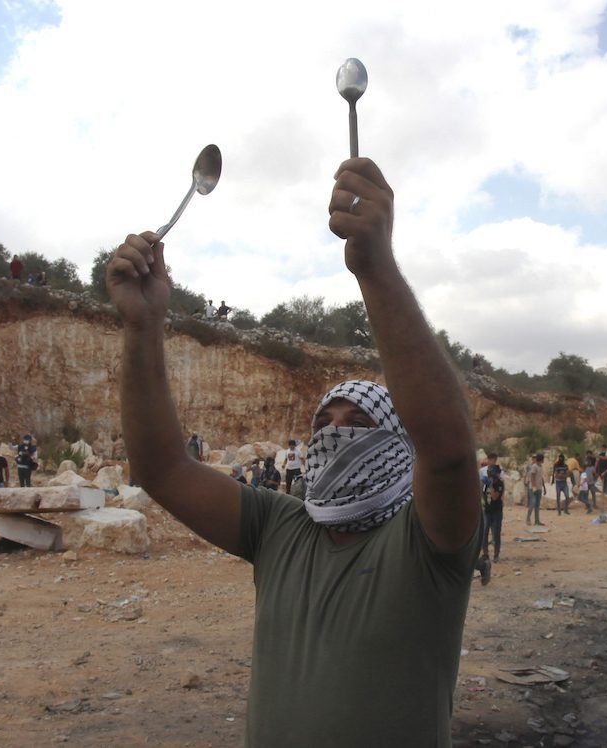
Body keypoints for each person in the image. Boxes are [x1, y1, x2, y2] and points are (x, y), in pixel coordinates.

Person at [106, 156, 481, 745]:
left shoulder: (428, 543)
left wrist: (375, 269)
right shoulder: (280, 528)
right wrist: (142, 325)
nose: (336, 431)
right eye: (324, 422)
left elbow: (451, 452)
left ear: (398, 442)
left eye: (357, 421)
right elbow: (162, 468)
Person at [482, 463, 504, 563]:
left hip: (496, 512)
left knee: (496, 534)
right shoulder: (485, 484)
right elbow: (481, 495)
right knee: (484, 533)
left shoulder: (499, 484)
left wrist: (491, 485)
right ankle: (485, 554)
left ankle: (496, 555)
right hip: (487, 512)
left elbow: (495, 497)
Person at [525, 452, 545, 526]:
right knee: (533, 503)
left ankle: (537, 520)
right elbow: (532, 477)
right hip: (533, 488)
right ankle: (528, 518)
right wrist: (534, 487)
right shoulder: (534, 466)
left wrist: (544, 487)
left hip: (539, 488)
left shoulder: (540, 466)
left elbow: (540, 477)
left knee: (537, 505)